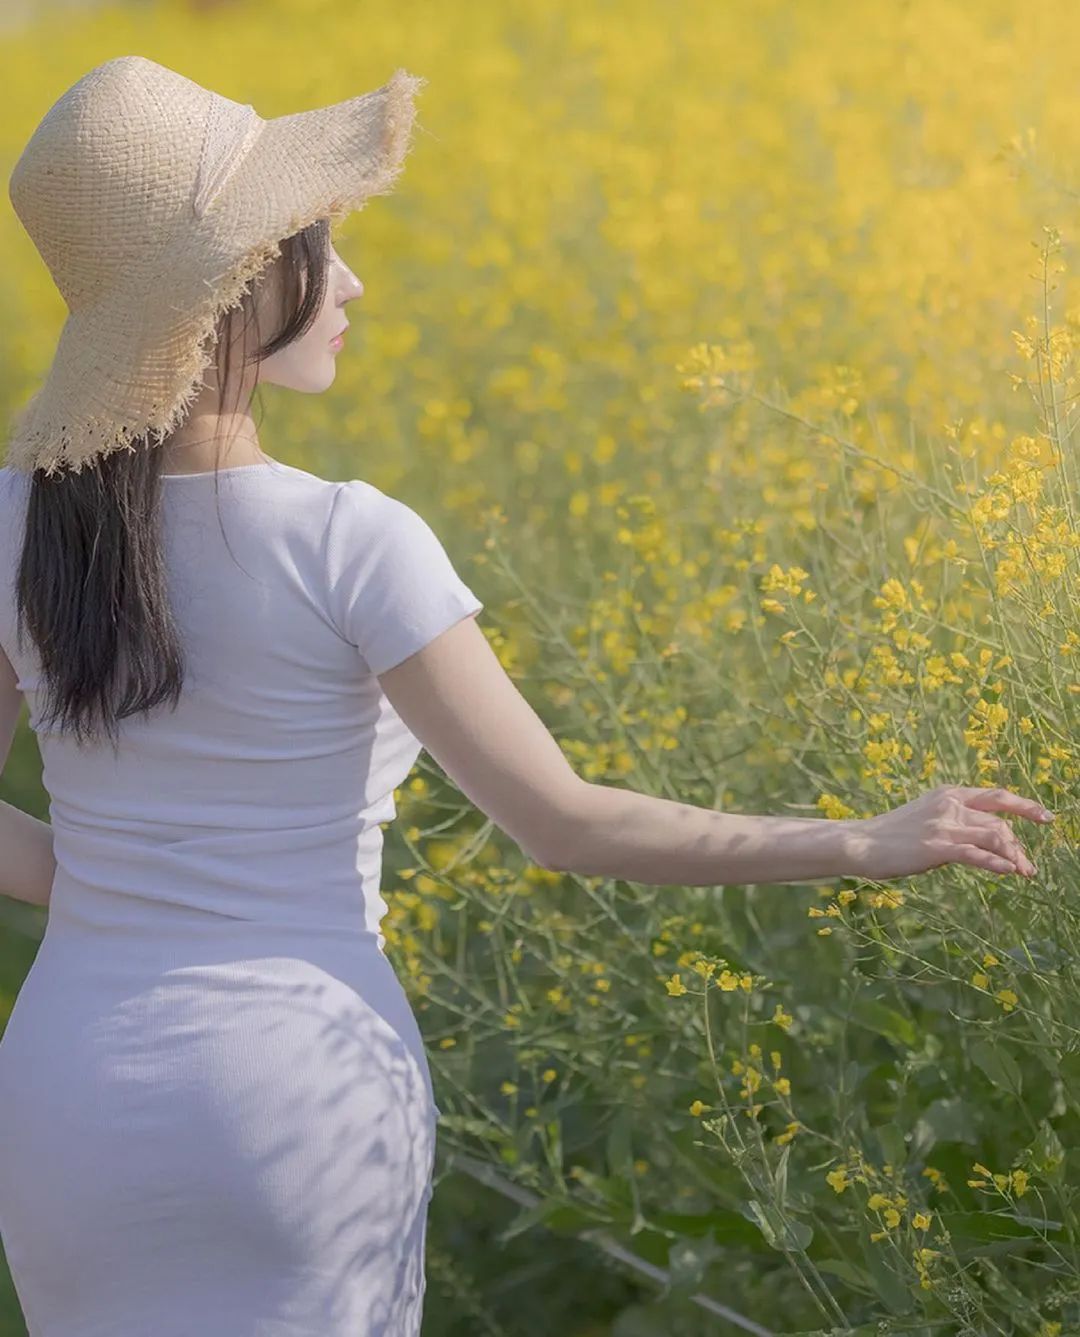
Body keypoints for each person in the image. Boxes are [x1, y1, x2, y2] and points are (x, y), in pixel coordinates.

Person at [0, 54, 1051, 1337]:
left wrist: (125, 875)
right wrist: (861, 840)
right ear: (233, 289)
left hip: (67, 1094)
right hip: (297, 1098)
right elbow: (562, 822)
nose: (349, 282)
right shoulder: (349, 540)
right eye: (312, 248)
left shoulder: (19, 528)